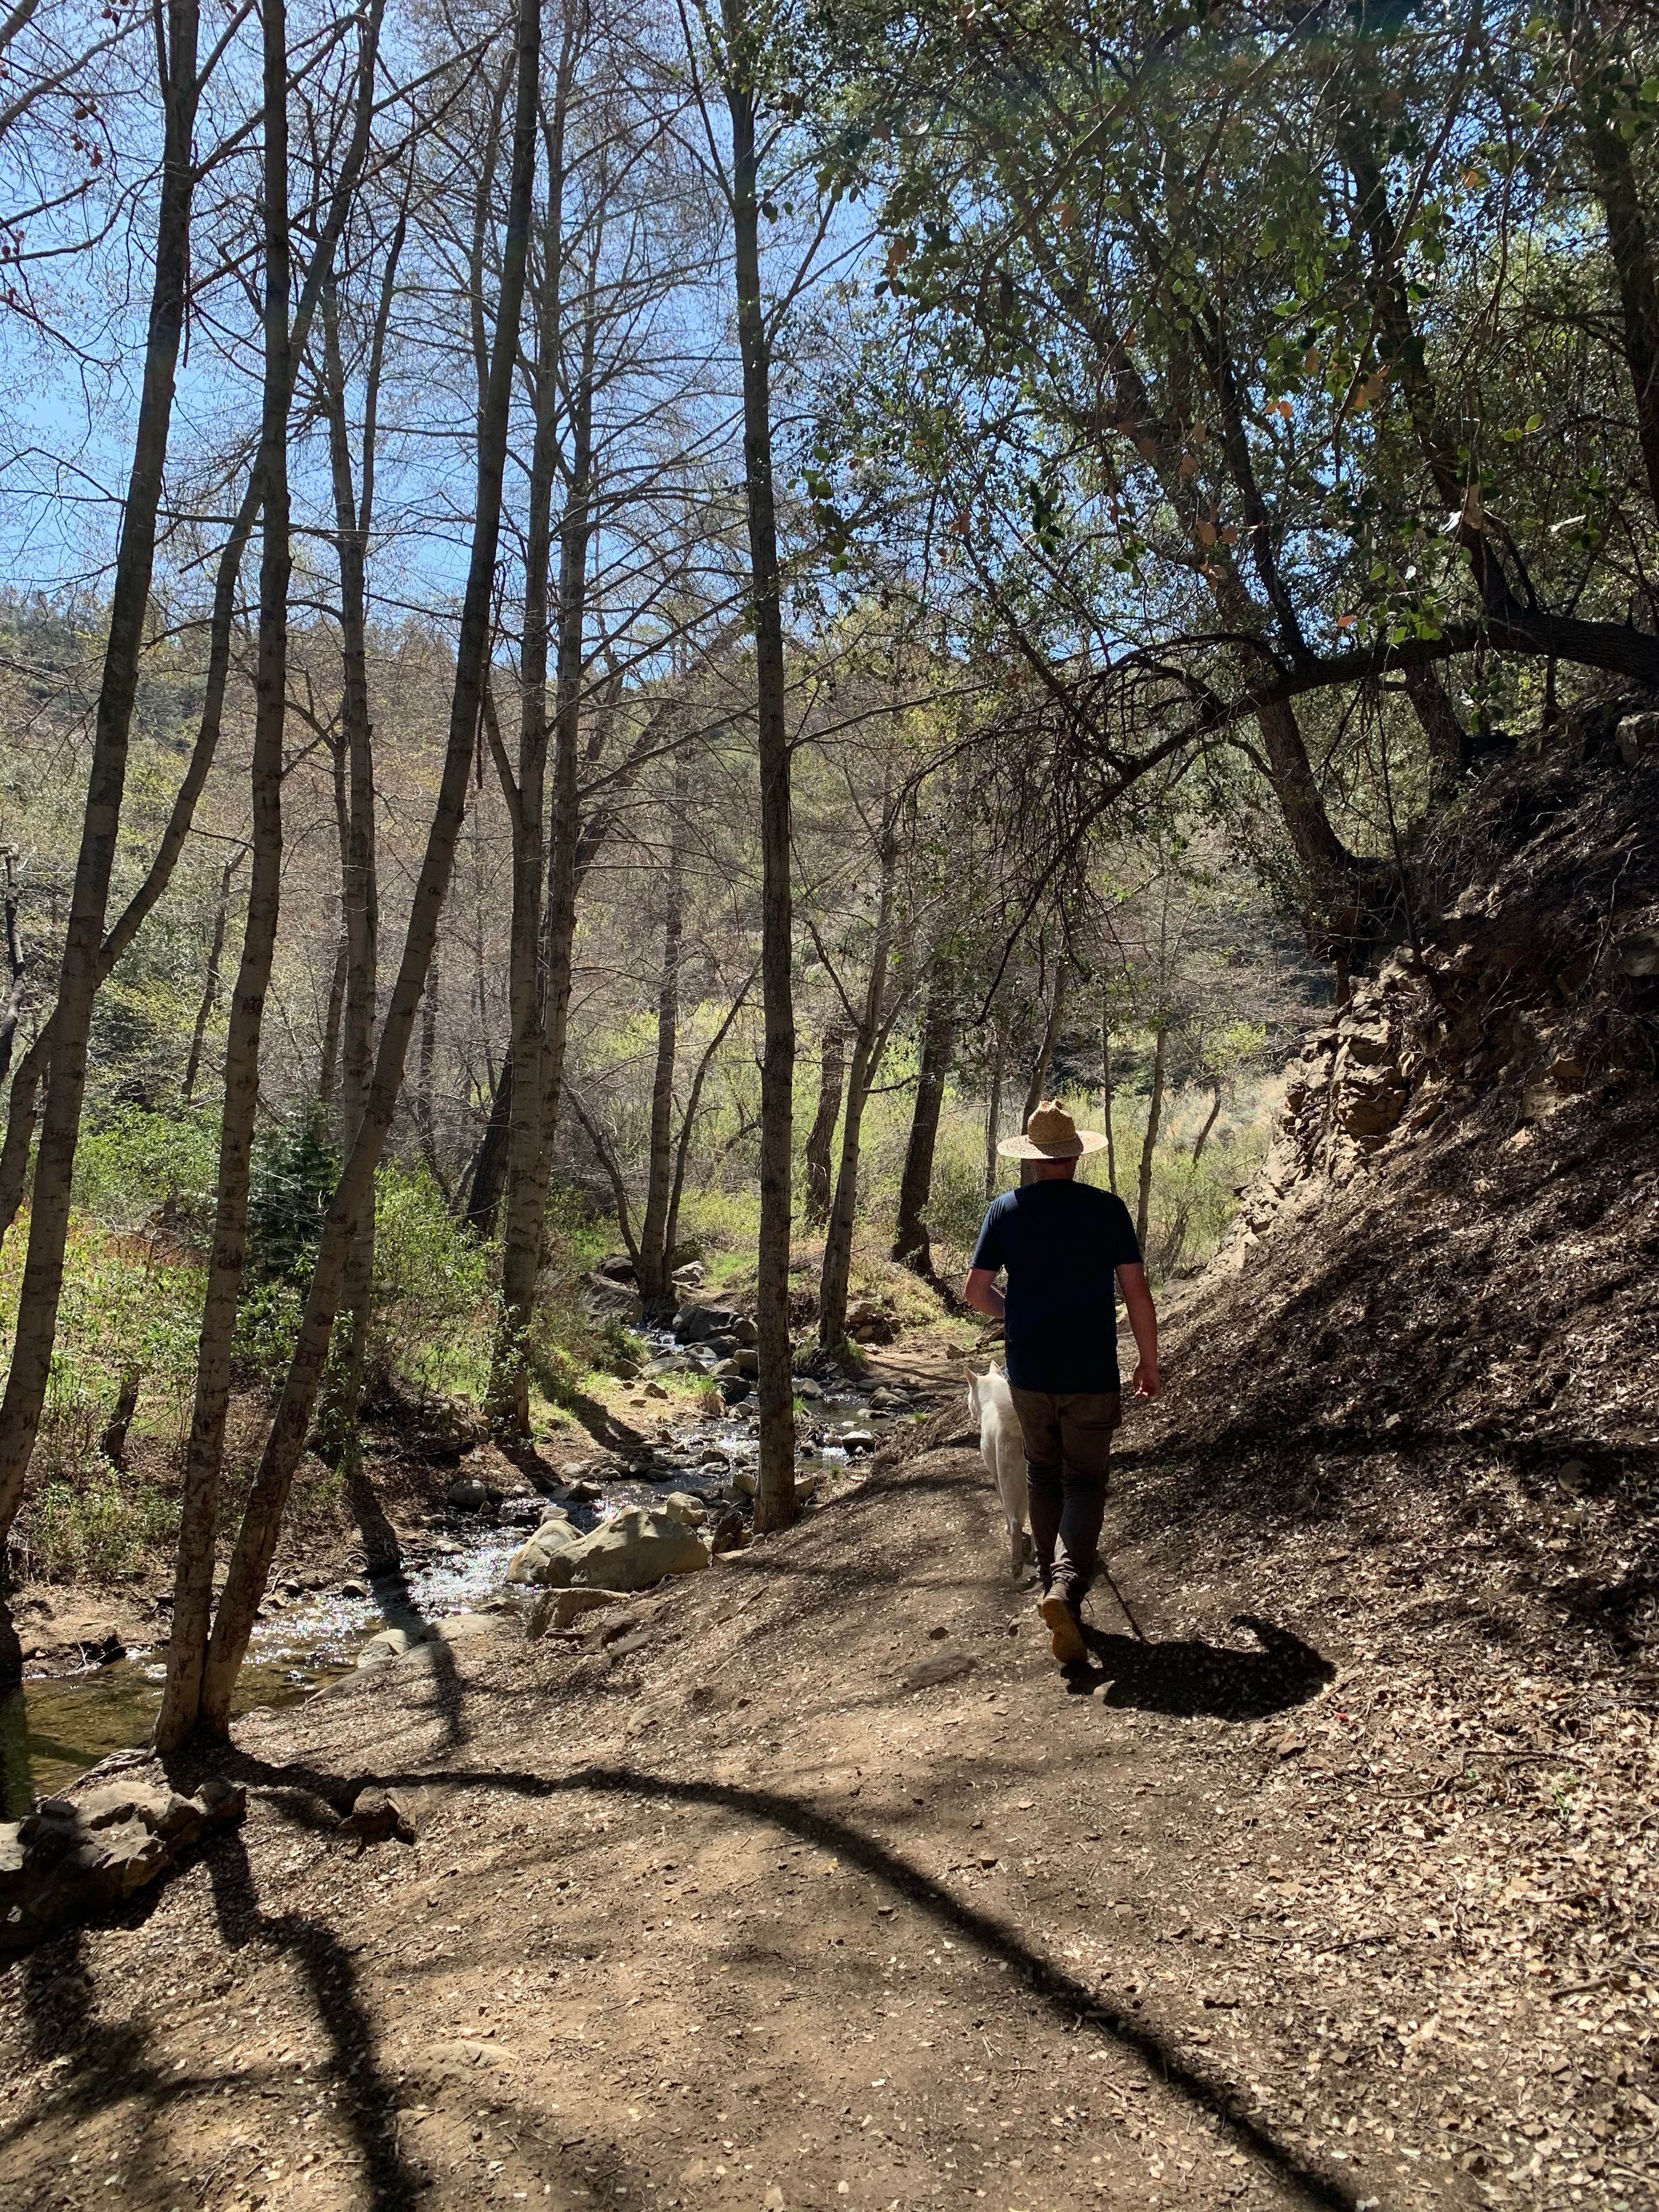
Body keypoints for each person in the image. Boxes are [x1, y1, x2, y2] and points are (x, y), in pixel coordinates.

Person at [964, 1099, 1160, 1666]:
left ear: (1032, 1160)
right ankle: (1066, 1587)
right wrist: (1148, 1362)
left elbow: (977, 1292)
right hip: (1091, 1371)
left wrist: (1018, 1316)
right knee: (1086, 1481)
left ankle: (1053, 1580)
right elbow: (1137, 1294)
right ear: (1074, 1156)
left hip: (1028, 1371)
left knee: (1044, 1474)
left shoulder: (1005, 1211)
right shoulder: (1108, 1210)